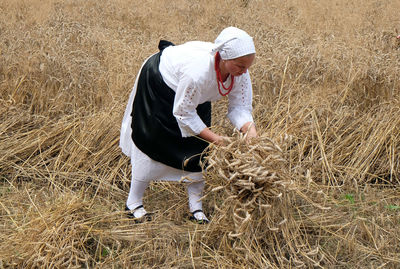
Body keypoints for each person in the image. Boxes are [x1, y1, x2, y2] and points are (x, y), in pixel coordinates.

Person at [119, 26, 257, 224]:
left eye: (247, 67)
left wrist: (250, 133)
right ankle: (133, 203)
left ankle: (196, 208)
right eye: (240, 66)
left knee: (198, 150)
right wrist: (217, 139)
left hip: (192, 97)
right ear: (224, 58)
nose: (244, 72)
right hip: (160, 84)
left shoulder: (239, 71)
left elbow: (240, 107)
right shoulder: (198, 72)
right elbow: (183, 113)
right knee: (151, 143)